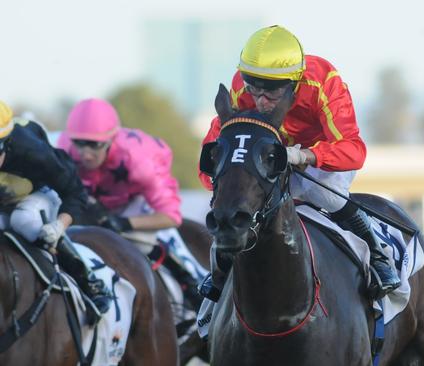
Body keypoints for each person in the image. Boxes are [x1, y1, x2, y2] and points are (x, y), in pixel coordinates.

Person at [198, 25, 401, 301]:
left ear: (294, 83)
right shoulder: (241, 88)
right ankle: (219, 273)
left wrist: (306, 155)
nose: (259, 101)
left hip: (321, 158)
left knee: (324, 195)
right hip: (268, 158)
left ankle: (378, 256)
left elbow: (354, 150)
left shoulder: (324, 82)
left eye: (270, 94)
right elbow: (216, 141)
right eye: (253, 89)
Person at [57, 98, 206, 308]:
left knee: (143, 240)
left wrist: (123, 223)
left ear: (110, 140)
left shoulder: (139, 161)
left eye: (94, 145)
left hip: (131, 203)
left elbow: (171, 217)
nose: (85, 153)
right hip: (90, 202)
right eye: (79, 143)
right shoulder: (63, 148)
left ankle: (188, 282)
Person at [0, 100, 111, 313]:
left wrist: (59, 225)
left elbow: (76, 193)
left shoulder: (33, 151)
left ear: (6, 142)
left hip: (38, 194)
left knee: (23, 220)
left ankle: (91, 283)